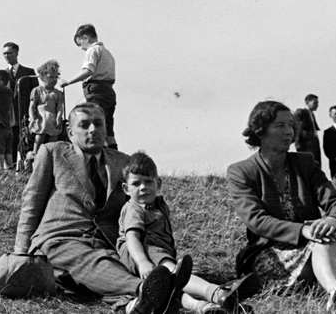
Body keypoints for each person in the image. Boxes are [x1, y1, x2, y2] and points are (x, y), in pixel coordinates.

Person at [14, 103, 184, 314]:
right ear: (70, 132)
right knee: (90, 262)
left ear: (106, 128)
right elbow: (32, 201)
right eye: (84, 125)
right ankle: (144, 288)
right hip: (59, 240)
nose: (93, 130)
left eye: (98, 124)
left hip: (105, 243)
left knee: (110, 265)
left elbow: (136, 208)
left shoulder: (122, 162)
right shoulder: (53, 152)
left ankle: (135, 303)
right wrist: (21, 254)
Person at [227, 100, 336, 309]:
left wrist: (332, 218)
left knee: (323, 238)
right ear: (260, 131)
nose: (289, 132)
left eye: (291, 125)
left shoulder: (305, 163)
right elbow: (257, 221)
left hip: (314, 247)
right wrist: (304, 230)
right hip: (267, 255)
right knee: (322, 241)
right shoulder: (241, 171)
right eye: (280, 125)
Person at [119, 152, 249, 312]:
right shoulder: (133, 208)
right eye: (136, 183)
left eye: (148, 182)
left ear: (158, 184)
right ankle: (216, 293)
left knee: (172, 287)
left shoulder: (159, 206)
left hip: (157, 256)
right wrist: (143, 263)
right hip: (143, 254)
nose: (143, 187)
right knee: (175, 273)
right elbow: (131, 237)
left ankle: (204, 307)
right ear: (126, 188)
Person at [61, 24, 118, 149]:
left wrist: (68, 81)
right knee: (107, 127)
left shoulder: (92, 50)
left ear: (85, 38)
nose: (81, 48)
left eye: (80, 44)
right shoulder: (107, 53)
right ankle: (115, 157)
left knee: (95, 124)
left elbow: (88, 71)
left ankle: (99, 157)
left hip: (96, 90)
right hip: (108, 91)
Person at [0, 43, 36, 170]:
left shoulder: (29, 73)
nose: (7, 56)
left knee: (26, 146)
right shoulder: (1, 75)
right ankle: (12, 175)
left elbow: (35, 96)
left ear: (16, 53)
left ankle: (28, 172)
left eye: (9, 53)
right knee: (10, 148)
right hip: (9, 119)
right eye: (4, 53)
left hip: (25, 119)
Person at [28, 60, 65, 165]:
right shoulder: (37, 91)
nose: (54, 80)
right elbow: (32, 106)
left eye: (55, 77)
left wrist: (59, 117)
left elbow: (59, 107)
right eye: (50, 77)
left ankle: (54, 155)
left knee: (54, 137)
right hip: (41, 117)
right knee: (40, 135)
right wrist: (32, 118)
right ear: (43, 77)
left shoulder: (57, 93)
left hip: (52, 117)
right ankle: (35, 153)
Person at [294, 94, 322, 162]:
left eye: (317, 103)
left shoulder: (312, 114)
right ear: (307, 103)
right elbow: (297, 130)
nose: (317, 105)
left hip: (314, 146)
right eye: (315, 103)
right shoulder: (301, 112)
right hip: (306, 147)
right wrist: (298, 146)